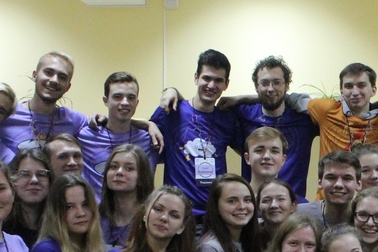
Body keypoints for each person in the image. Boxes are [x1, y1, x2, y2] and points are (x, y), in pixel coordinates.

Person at [150, 49, 242, 215]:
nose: (211, 85)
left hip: (215, 214)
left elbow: (248, 153)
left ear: (226, 84)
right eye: (206, 78)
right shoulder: (172, 111)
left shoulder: (227, 118)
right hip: (178, 213)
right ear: (196, 78)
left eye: (218, 80)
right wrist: (148, 123)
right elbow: (141, 133)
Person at [234, 55, 319, 199]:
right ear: (256, 86)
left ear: (287, 85)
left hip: (294, 205)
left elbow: (334, 112)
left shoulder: (305, 120)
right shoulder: (242, 115)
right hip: (253, 204)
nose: (270, 89)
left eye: (277, 83)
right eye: (264, 83)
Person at [302, 62, 378, 160]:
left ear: (373, 90)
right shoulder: (327, 110)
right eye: (348, 86)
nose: (355, 92)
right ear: (341, 91)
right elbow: (296, 100)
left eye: (361, 85)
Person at [75, 71, 158, 197]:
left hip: (137, 209)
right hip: (95, 209)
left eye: (131, 97)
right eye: (117, 97)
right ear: (106, 101)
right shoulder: (85, 136)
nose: (125, 102)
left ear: (137, 102)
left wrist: (149, 124)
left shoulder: (150, 140)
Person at [0, 51, 88, 152]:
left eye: (62, 77)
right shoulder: (7, 115)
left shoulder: (75, 121)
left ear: (68, 87)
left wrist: (96, 119)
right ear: (35, 75)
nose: (54, 80)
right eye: (48, 72)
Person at [98, 143, 154, 249]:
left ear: (141, 178)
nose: (119, 172)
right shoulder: (95, 216)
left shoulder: (151, 220)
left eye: (129, 168)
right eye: (114, 167)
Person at [296, 150, 361, 227]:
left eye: (347, 178)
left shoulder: (366, 217)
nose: (338, 184)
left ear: (358, 184)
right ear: (319, 183)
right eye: (331, 178)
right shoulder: (299, 214)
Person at [3, 147, 52, 244]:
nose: (34, 180)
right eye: (25, 174)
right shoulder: (1, 226)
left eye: (41, 174)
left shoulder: (61, 224)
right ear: (13, 181)